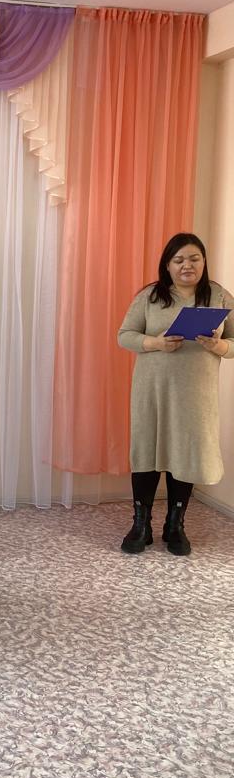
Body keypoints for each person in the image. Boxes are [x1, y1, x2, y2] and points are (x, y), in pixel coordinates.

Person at [117, 233, 234, 556]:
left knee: (185, 454)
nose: (187, 265)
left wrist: (219, 346)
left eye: (194, 258)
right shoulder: (150, 296)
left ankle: (175, 525)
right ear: (167, 265)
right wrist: (156, 342)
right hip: (151, 391)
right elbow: (124, 335)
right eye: (179, 260)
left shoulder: (219, 296)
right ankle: (141, 525)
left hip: (196, 396)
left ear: (204, 262)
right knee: (146, 451)